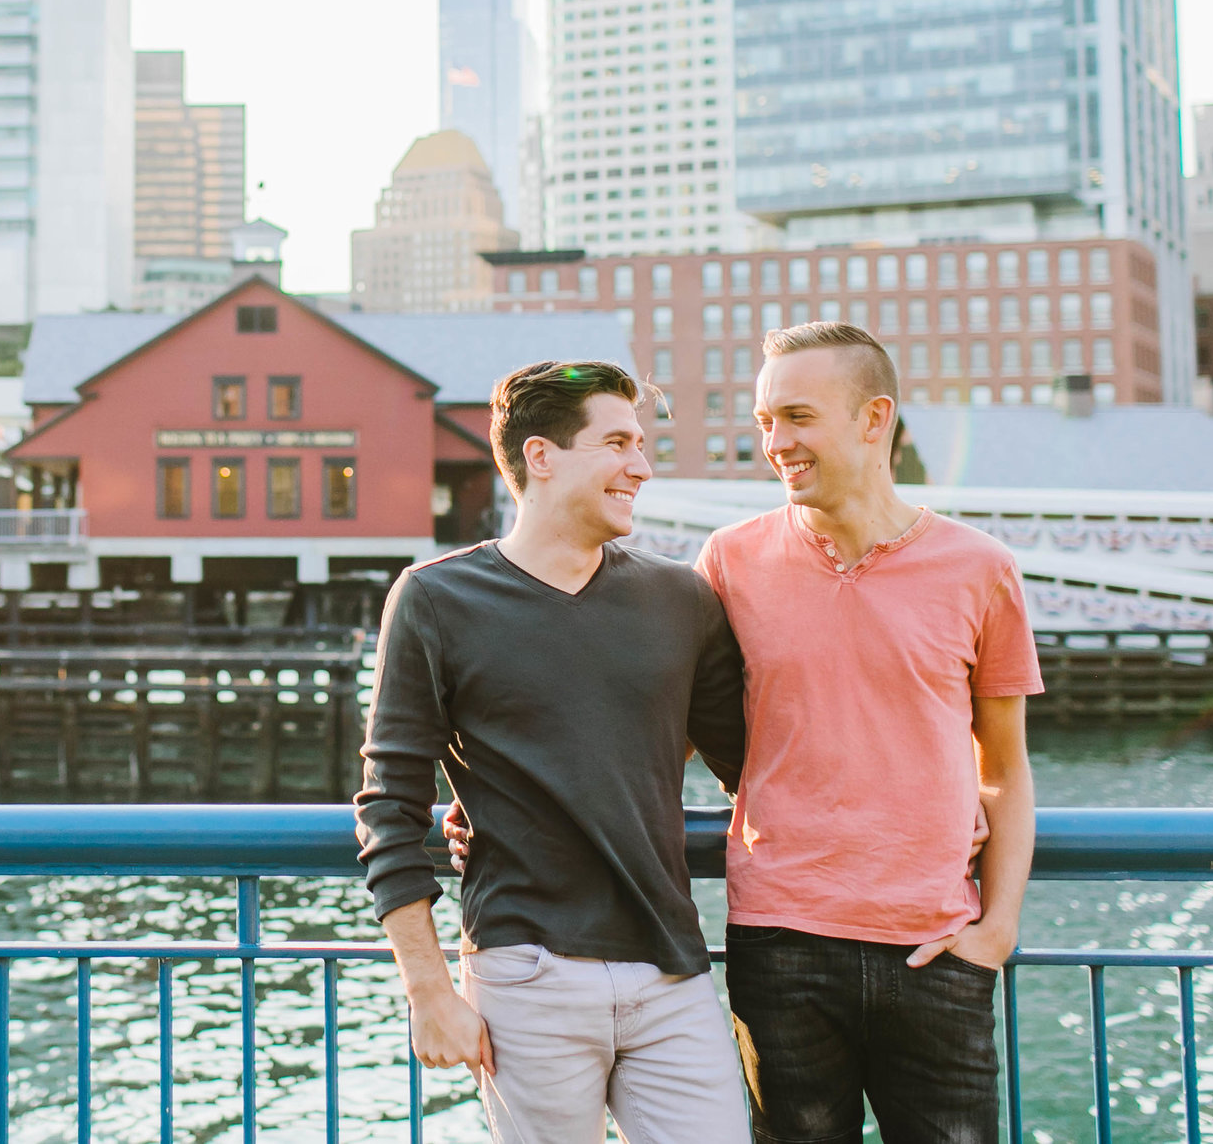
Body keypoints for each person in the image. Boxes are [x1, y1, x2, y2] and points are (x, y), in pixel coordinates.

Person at [444, 323, 1036, 1144]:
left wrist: (996, 929)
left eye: (796, 416)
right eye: (764, 422)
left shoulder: (981, 567)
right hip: (780, 941)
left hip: (936, 945)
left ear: (875, 419)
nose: (775, 443)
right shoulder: (729, 562)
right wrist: (513, 812)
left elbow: (1003, 766)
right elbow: (659, 728)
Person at [354, 360, 751, 1144]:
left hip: (671, 968)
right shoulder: (435, 598)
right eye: (617, 442)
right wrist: (428, 990)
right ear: (542, 456)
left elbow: (759, 769)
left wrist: (926, 807)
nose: (641, 464)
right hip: (524, 973)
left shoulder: (684, 599)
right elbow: (388, 807)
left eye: (642, 443)